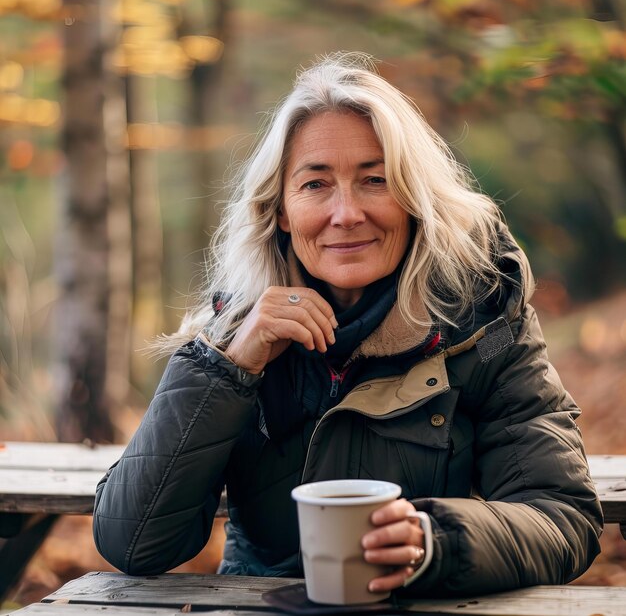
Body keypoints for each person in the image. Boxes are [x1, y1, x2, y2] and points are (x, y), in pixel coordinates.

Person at [93, 53, 602, 598]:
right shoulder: (234, 331)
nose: (347, 213)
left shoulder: (481, 323)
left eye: (375, 180)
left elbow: (561, 515)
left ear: (414, 198)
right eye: (315, 185)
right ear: (281, 210)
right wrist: (231, 365)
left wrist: (436, 541)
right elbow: (135, 543)